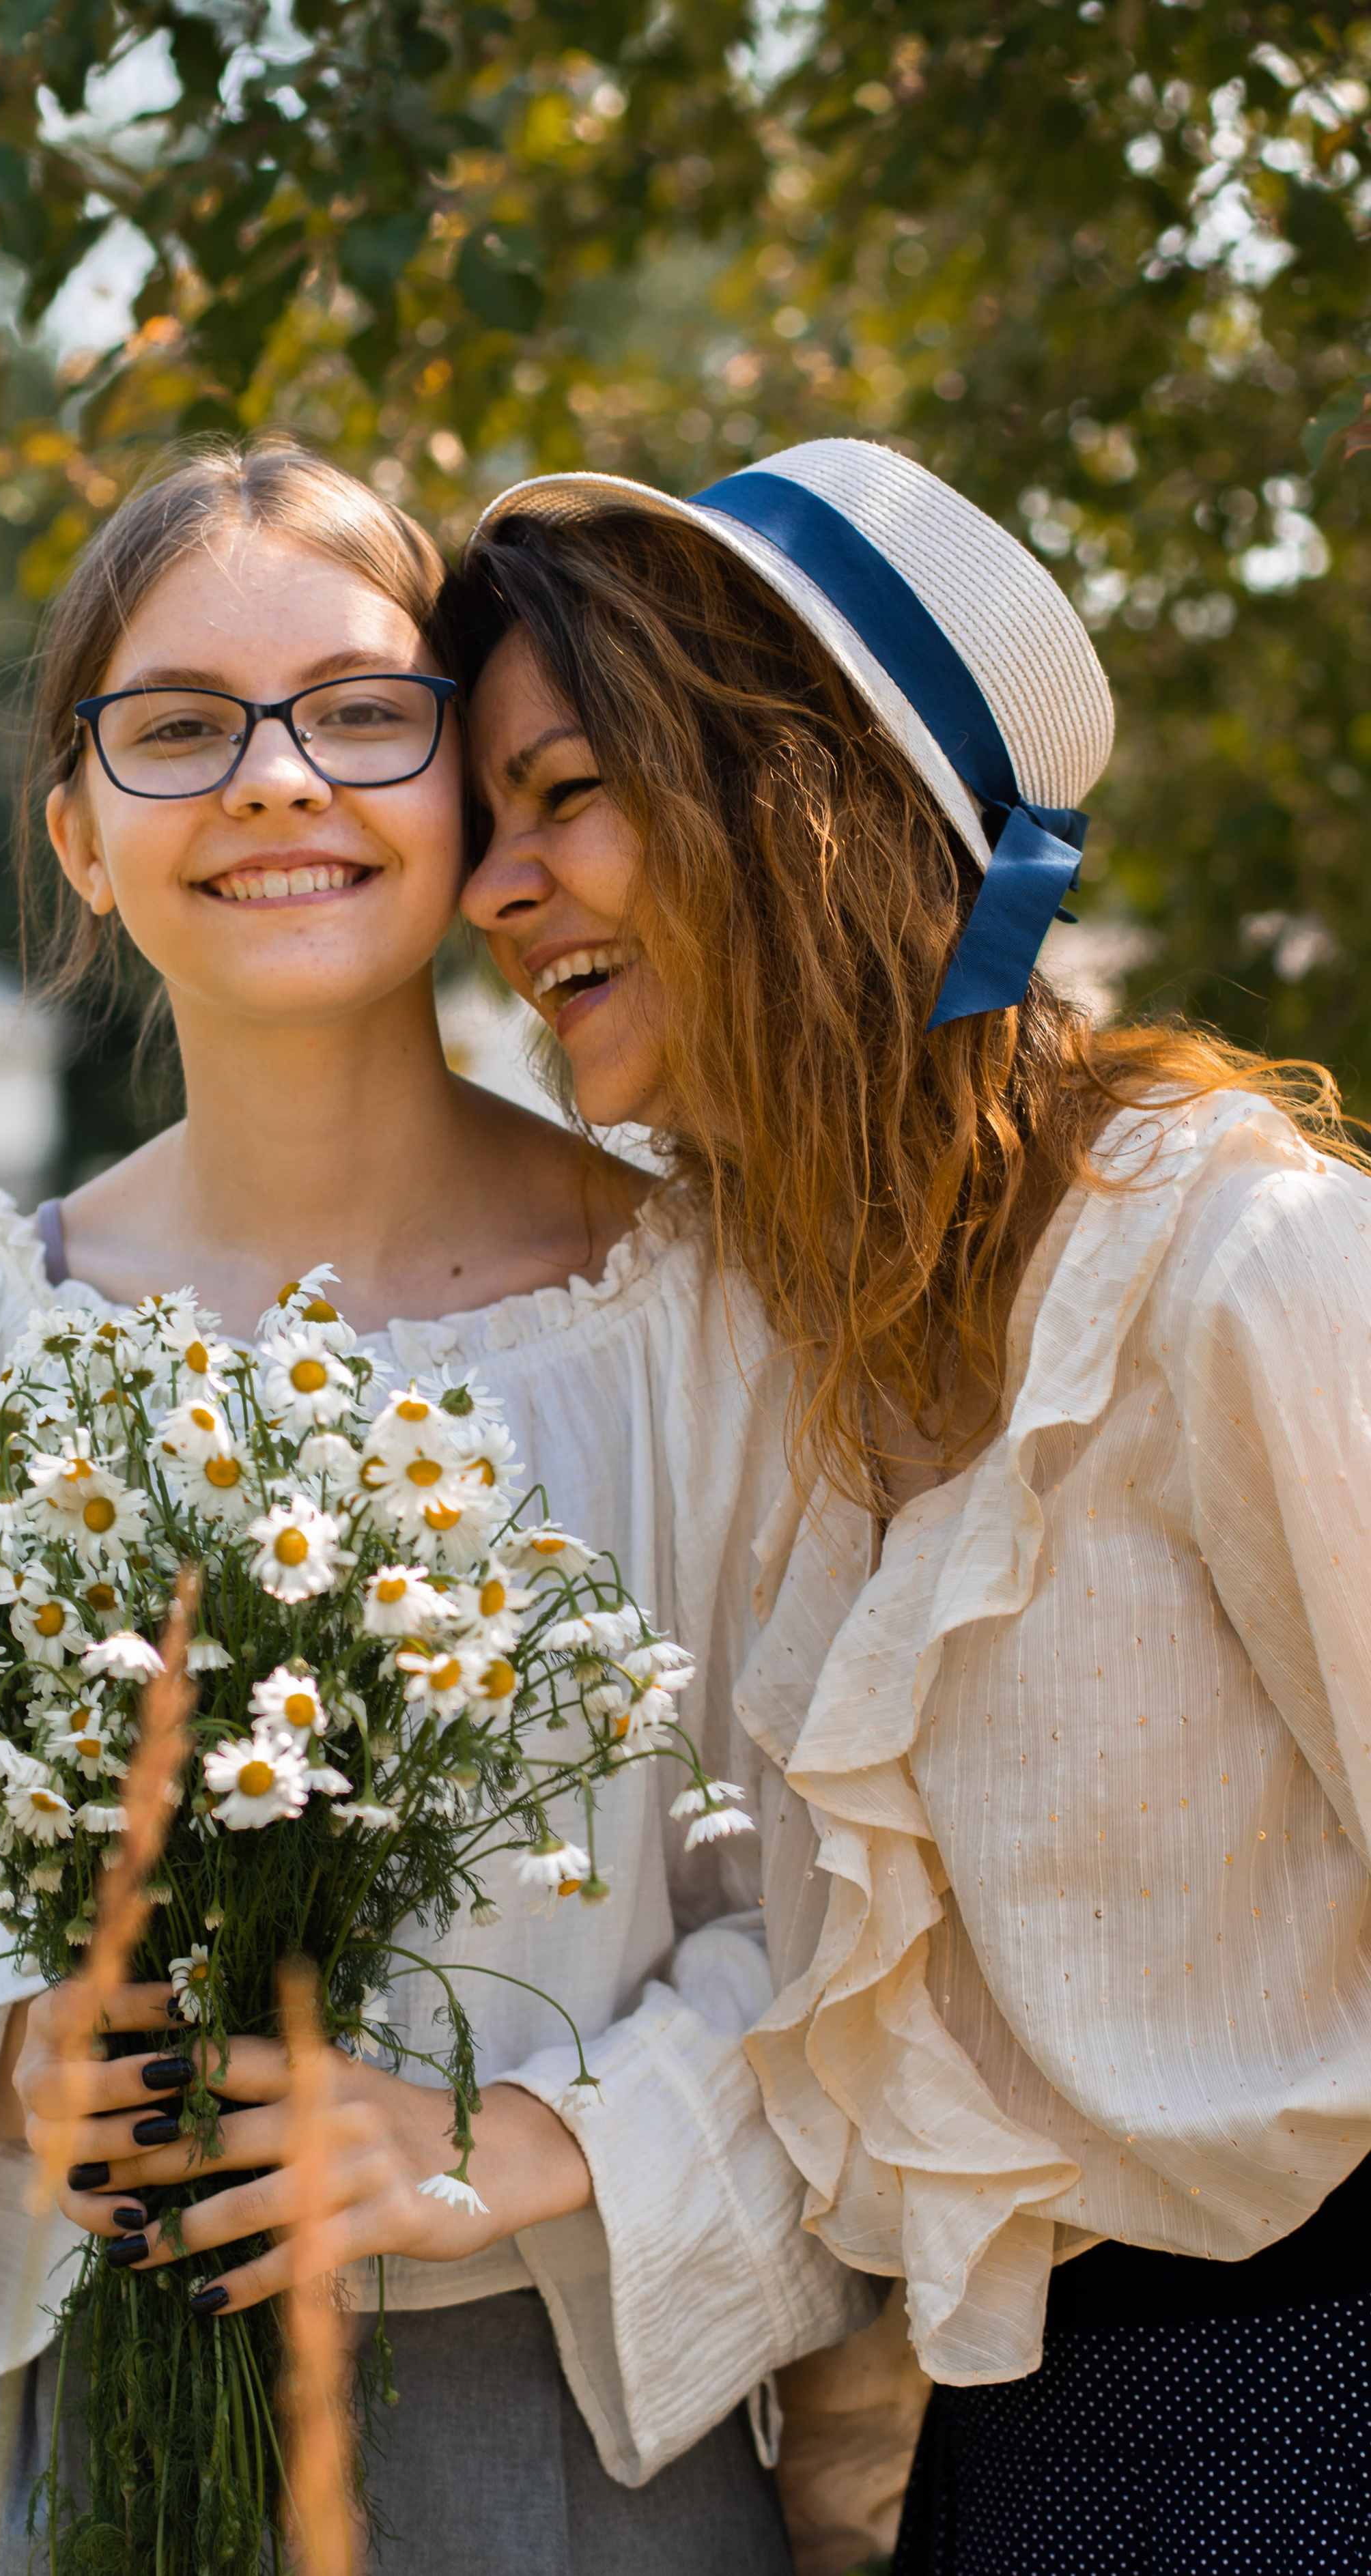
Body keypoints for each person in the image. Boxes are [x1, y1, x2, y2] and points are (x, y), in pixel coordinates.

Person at [0, 438, 871, 2576]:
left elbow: (852, 1933)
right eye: (179, 728)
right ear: (80, 830)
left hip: (559, 2443)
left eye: (361, 710)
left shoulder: (702, 1317)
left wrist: (515, 2142)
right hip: (70, 2431)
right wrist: (9, 2059)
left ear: (469, 793)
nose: (277, 779)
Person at [445, 434, 1371, 2573]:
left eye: (570, 795)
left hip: (1315, 2427)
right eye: (495, 823)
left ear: (805, 793)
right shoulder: (789, 1342)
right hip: (1013, 2473)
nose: (496, 891)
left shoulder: (1243, 1270)